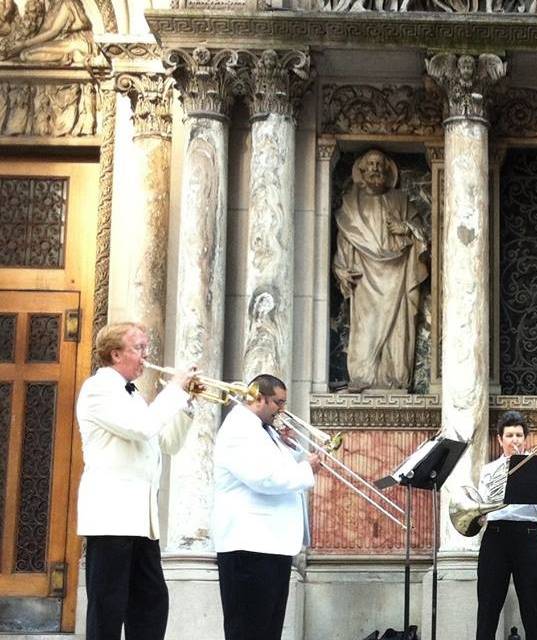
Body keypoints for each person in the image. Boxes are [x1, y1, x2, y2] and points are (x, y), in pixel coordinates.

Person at [75, 321, 197, 640]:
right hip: (112, 518)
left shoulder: (134, 397)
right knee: (108, 607)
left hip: (142, 521)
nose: (146, 355)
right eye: (139, 348)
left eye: (146, 348)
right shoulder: (98, 389)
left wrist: (186, 405)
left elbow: (168, 443)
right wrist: (174, 389)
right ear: (116, 354)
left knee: (151, 602)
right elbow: (142, 427)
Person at [212, 374, 324, 640]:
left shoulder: (263, 430)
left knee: (267, 630)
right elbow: (264, 477)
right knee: (248, 630)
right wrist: (306, 469)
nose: (282, 410)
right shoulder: (240, 427)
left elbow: (274, 467)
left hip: (269, 544)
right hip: (249, 546)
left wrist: (295, 452)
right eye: (278, 402)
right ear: (257, 397)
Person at [333, 148, 429, 392]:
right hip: (364, 278)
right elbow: (345, 242)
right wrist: (341, 270)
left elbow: (422, 236)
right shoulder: (350, 204)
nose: (375, 168)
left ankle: (396, 378)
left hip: (398, 274)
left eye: (380, 164)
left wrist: (405, 228)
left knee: (398, 327)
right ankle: (364, 376)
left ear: (388, 171)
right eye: (371, 164)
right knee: (366, 327)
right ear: (362, 171)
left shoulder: (400, 201)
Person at [476, 411, 537, 640]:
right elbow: (482, 506)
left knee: (533, 606)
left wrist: (530, 483)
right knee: (488, 606)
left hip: (527, 535)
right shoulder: (489, 470)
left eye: (519, 435)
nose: (515, 440)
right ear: (500, 440)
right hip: (495, 536)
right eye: (509, 435)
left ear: (525, 438)